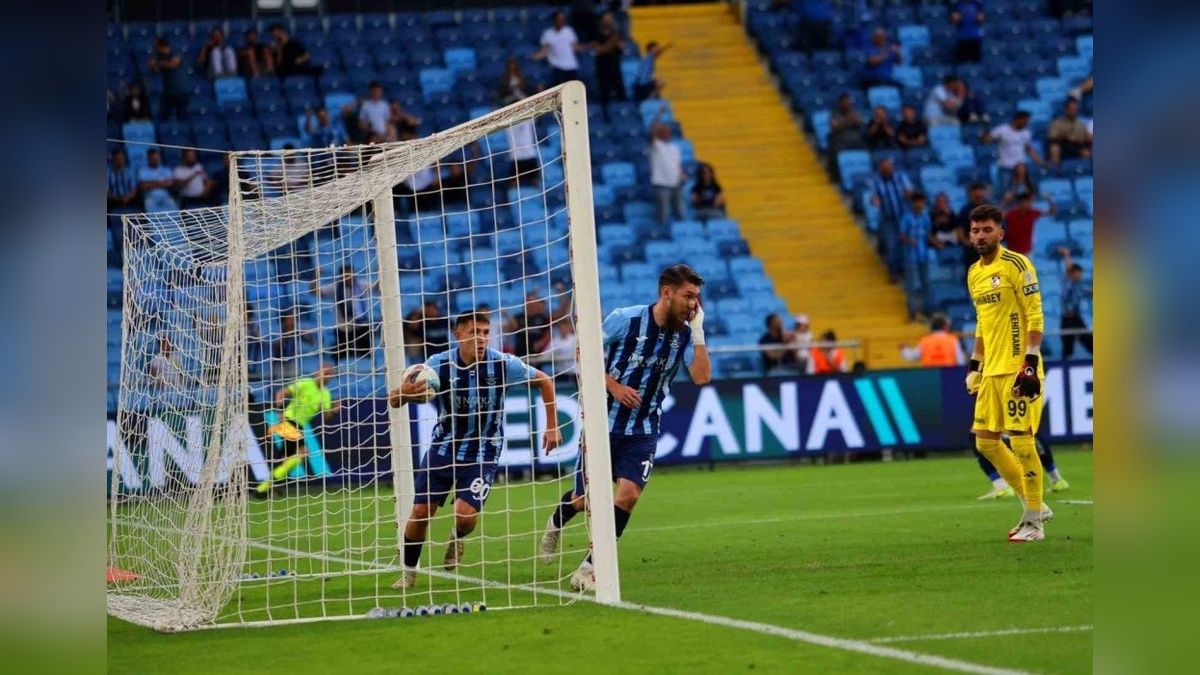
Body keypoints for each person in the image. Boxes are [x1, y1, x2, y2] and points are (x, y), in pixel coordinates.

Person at [538, 264, 712, 591]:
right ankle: (556, 521)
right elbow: (582, 353)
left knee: (627, 495)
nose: (693, 304)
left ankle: (589, 568)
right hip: (604, 424)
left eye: (697, 298)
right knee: (586, 500)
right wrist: (613, 386)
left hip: (643, 430)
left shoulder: (687, 334)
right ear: (666, 292)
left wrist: (699, 331)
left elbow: (702, 377)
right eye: (688, 296)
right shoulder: (627, 319)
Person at [390, 311, 561, 589]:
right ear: (458, 336)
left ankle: (457, 537)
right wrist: (406, 394)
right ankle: (409, 573)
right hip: (444, 447)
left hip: (484, 449)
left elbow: (544, 380)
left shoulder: (503, 364)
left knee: (466, 516)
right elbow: (394, 400)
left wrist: (552, 426)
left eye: (484, 332)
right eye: (473, 332)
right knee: (420, 512)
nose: (481, 338)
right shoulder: (437, 366)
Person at [964, 204, 1052, 541]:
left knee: (1022, 442)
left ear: (1001, 232)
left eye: (987, 229)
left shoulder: (1017, 264)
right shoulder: (974, 273)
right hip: (991, 372)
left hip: (1019, 369)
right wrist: (975, 365)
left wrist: (1030, 362)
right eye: (975, 231)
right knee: (986, 443)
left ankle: (1034, 522)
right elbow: (982, 323)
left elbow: (1035, 315)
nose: (981, 236)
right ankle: (1037, 504)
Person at [256, 364, 341, 494]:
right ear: (318, 372)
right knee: (302, 452)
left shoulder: (325, 394)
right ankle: (266, 486)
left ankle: (265, 487)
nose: (327, 377)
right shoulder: (305, 383)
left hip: (299, 425)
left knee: (285, 457)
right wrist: (279, 410)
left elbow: (326, 417)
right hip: (289, 420)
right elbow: (281, 393)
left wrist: (334, 411)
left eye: (330, 375)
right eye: (325, 373)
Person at [981, 111, 1046, 196]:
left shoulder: (1026, 133)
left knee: (1023, 194)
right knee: (1005, 193)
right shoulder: (1002, 130)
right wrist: (985, 127)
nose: (1027, 124)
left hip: (1020, 168)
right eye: (1025, 121)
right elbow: (986, 140)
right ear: (1018, 120)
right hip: (1005, 167)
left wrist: (1041, 162)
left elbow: (1029, 150)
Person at [899, 191, 934, 321]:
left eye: (922, 202)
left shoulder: (926, 217)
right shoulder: (907, 218)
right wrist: (909, 241)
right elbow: (901, 236)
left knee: (926, 283)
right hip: (911, 256)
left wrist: (936, 242)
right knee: (912, 285)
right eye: (917, 202)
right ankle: (912, 312)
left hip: (923, 255)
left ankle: (928, 310)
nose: (920, 204)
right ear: (913, 203)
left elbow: (928, 234)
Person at [649, 107, 686, 224]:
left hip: (676, 184)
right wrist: (658, 114)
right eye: (664, 132)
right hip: (662, 185)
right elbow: (653, 129)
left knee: (680, 211)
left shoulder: (675, 148)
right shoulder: (656, 146)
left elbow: (677, 164)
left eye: (668, 132)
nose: (667, 134)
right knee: (663, 213)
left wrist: (681, 175)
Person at [1057, 246, 1093, 360]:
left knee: (1089, 341)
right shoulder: (1067, 282)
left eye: (1080, 274)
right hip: (1067, 319)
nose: (1079, 276)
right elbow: (1068, 268)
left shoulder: (1079, 287)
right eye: (1077, 273)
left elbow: (1090, 292)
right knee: (1067, 346)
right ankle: (1063, 367)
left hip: (1077, 318)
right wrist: (1067, 255)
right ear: (1073, 273)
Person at [532, 11, 585, 87]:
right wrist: (535, 56)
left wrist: (589, 46)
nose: (561, 21)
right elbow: (544, 51)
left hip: (571, 67)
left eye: (563, 19)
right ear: (554, 20)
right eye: (559, 19)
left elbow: (576, 47)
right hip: (558, 68)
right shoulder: (548, 34)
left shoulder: (569, 31)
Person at [591, 12, 627, 115]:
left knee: (621, 92)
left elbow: (622, 47)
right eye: (606, 19)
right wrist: (611, 43)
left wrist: (619, 45)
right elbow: (598, 50)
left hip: (615, 66)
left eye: (610, 19)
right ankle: (606, 116)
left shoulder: (615, 32)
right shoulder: (597, 34)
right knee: (605, 95)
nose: (609, 21)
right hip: (603, 68)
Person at [147, 37, 188, 122]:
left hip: (181, 91)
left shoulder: (175, 53)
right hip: (168, 92)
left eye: (156, 47)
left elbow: (172, 65)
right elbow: (155, 72)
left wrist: (157, 64)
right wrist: (153, 66)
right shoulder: (159, 57)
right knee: (163, 117)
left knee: (182, 117)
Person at [1002, 191, 1055, 256]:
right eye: (1026, 202)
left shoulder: (1032, 213)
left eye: (1029, 202)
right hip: (1012, 252)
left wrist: (1050, 200)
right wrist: (1005, 201)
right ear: (1020, 203)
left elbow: (1052, 212)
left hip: (1027, 252)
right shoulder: (1011, 214)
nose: (1028, 204)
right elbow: (995, 215)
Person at [899, 314, 965, 366]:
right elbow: (961, 360)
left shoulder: (924, 341)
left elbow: (911, 356)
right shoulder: (953, 340)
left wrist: (904, 349)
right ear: (945, 326)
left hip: (930, 374)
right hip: (949, 374)